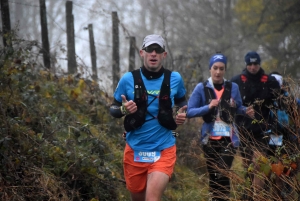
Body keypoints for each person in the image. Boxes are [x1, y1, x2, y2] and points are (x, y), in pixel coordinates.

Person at [109, 34, 187, 201]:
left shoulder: (175, 79)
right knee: (137, 197)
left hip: (163, 149)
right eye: (149, 50)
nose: (153, 54)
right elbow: (113, 109)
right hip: (135, 150)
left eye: (158, 50)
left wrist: (181, 112)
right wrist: (123, 109)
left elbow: (182, 101)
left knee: (152, 198)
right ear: (141, 53)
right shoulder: (128, 79)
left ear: (164, 55)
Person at [186, 53, 254, 201]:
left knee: (223, 170)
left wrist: (246, 111)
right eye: (215, 68)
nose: (218, 72)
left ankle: (222, 198)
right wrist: (208, 107)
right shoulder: (201, 88)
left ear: (225, 70)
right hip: (209, 138)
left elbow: (238, 107)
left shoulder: (233, 87)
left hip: (229, 137)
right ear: (210, 69)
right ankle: (215, 198)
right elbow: (189, 112)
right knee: (213, 174)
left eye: (221, 69)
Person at [230, 51, 280, 200]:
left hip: (263, 131)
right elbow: (228, 103)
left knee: (258, 164)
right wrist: (232, 104)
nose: (252, 67)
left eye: (255, 64)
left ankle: (258, 196)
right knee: (248, 167)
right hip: (243, 130)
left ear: (259, 64)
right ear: (246, 65)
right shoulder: (236, 81)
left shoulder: (270, 81)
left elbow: (278, 104)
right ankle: (250, 193)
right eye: (250, 64)